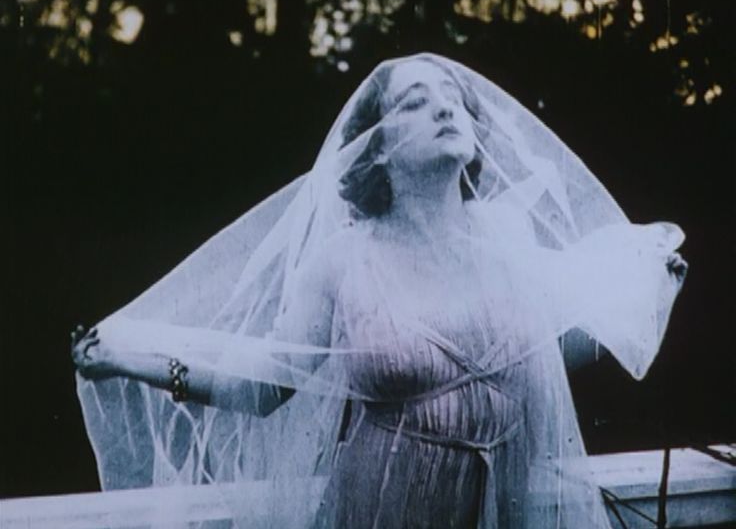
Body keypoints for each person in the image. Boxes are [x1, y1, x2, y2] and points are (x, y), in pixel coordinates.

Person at [72, 53, 687, 528]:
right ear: (379, 148)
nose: (445, 110)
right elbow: (263, 385)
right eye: (416, 103)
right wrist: (131, 358)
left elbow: (539, 361)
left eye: (453, 99)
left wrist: (646, 297)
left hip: (499, 512)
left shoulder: (507, 235)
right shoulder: (344, 260)